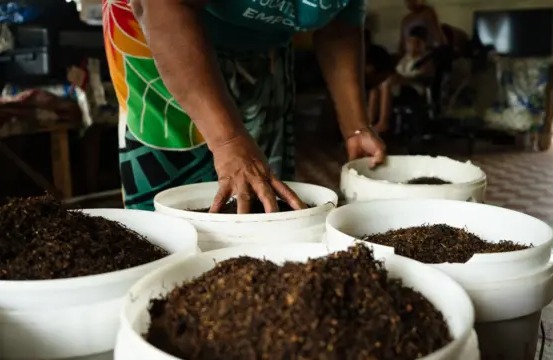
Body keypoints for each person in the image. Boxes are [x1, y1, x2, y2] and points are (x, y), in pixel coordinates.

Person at [102, 0, 386, 214]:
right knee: (179, 204)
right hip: (161, 27)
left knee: (260, 185)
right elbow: (164, 6)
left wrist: (356, 127)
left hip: (263, 38)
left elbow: (339, 23)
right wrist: (228, 140)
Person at [372, 27, 434, 134]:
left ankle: (384, 122)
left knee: (387, 85)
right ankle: (369, 123)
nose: (412, 45)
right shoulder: (406, 59)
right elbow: (397, 72)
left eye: (416, 42)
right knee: (375, 88)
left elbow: (424, 77)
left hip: (415, 89)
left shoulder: (426, 60)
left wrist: (401, 79)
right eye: (410, 42)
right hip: (398, 85)